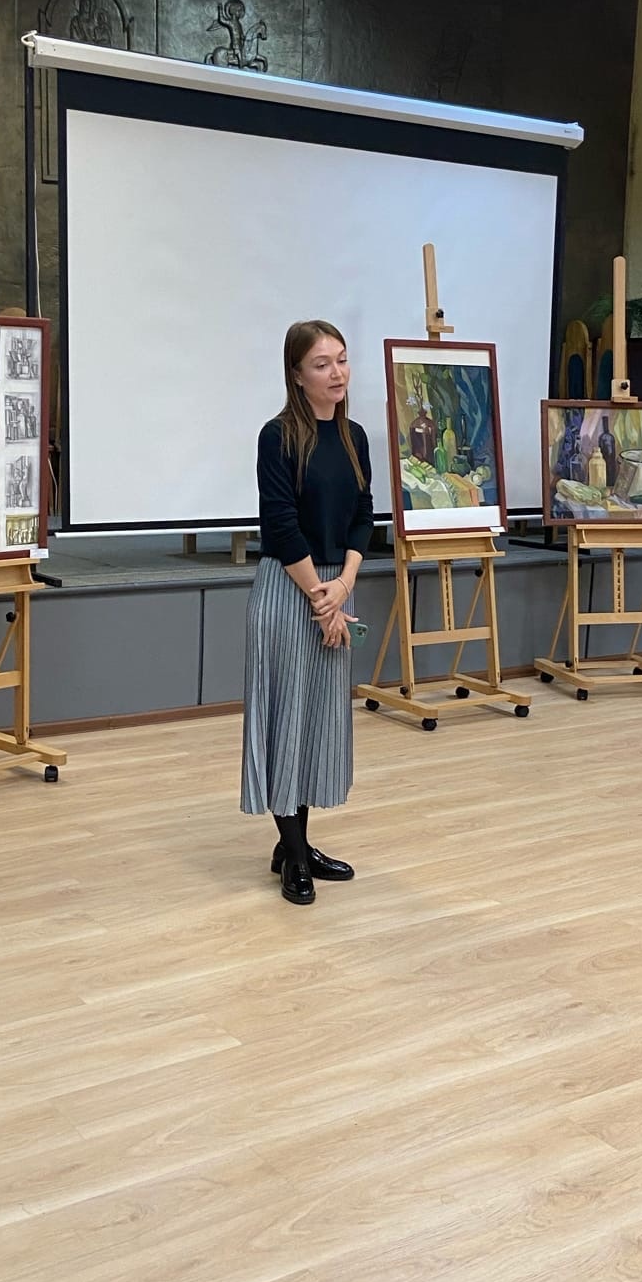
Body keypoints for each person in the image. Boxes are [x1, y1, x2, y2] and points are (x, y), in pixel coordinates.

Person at [242, 320, 373, 906]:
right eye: (322, 364)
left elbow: (362, 516)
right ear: (297, 375)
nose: (337, 373)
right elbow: (281, 524)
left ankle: (293, 843)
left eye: (341, 360)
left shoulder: (355, 437)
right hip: (289, 589)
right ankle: (294, 856)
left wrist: (343, 584)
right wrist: (322, 600)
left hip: (334, 590)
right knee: (286, 719)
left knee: (317, 720)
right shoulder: (277, 436)